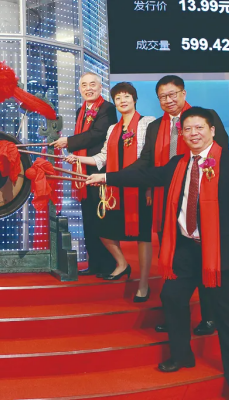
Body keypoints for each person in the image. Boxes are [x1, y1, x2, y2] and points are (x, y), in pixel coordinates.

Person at [86, 107, 229, 400]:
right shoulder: (179, 164)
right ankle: (181, 355)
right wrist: (106, 178)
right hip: (185, 249)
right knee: (172, 297)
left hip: (222, 253)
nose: (193, 133)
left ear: (212, 130)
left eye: (199, 128)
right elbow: (146, 175)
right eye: (187, 129)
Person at [130, 75, 229, 334]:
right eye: (163, 97)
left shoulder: (204, 118)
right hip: (167, 204)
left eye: (173, 94)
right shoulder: (155, 127)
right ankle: (175, 316)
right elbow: (146, 162)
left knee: (204, 263)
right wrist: (114, 176)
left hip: (201, 203)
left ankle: (209, 317)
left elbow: (222, 153)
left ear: (184, 94)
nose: (168, 100)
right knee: (172, 263)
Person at [66, 82, 154, 301]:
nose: (122, 101)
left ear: (134, 99)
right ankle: (122, 264)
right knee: (102, 228)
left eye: (126, 96)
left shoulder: (147, 123)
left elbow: (149, 159)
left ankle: (143, 284)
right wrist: (78, 159)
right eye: (118, 98)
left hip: (139, 187)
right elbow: (102, 157)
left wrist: (149, 189)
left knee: (143, 237)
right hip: (115, 189)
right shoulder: (113, 129)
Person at [50, 72, 117, 277]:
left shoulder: (107, 109)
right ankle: (94, 263)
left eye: (92, 84)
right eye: (85, 85)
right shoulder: (82, 110)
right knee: (88, 219)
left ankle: (109, 265)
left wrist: (69, 142)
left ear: (100, 87)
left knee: (101, 220)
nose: (89, 88)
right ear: (80, 89)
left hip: (100, 171)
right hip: (83, 172)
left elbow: (97, 134)